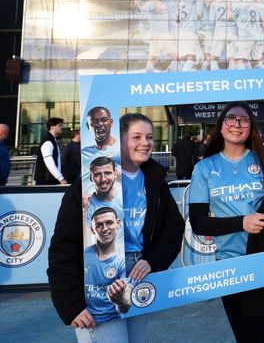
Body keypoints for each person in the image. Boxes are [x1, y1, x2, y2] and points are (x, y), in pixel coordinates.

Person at [48, 113, 185, 341]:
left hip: (138, 276)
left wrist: (152, 260)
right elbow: (64, 247)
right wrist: (70, 305)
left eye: (150, 137)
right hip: (97, 282)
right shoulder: (88, 185)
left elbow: (173, 229)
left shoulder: (155, 182)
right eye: (137, 137)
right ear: (119, 140)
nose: (145, 143)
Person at [188, 102, 264, 342]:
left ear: (250, 127)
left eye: (243, 120)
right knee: (248, 336)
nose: (237, 124)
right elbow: (199, 223)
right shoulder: (204, 168)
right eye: (230, 119)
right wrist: (242, 222)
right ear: (220, 127)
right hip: (232, 266)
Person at [34, 117, 66, 185]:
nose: (62, 127)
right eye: (60, 125)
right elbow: (49, 162)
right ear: (52, 127)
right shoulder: (48, 142)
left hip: (49, 179)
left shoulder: (53, 141)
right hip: (46, 181)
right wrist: (61, 178)